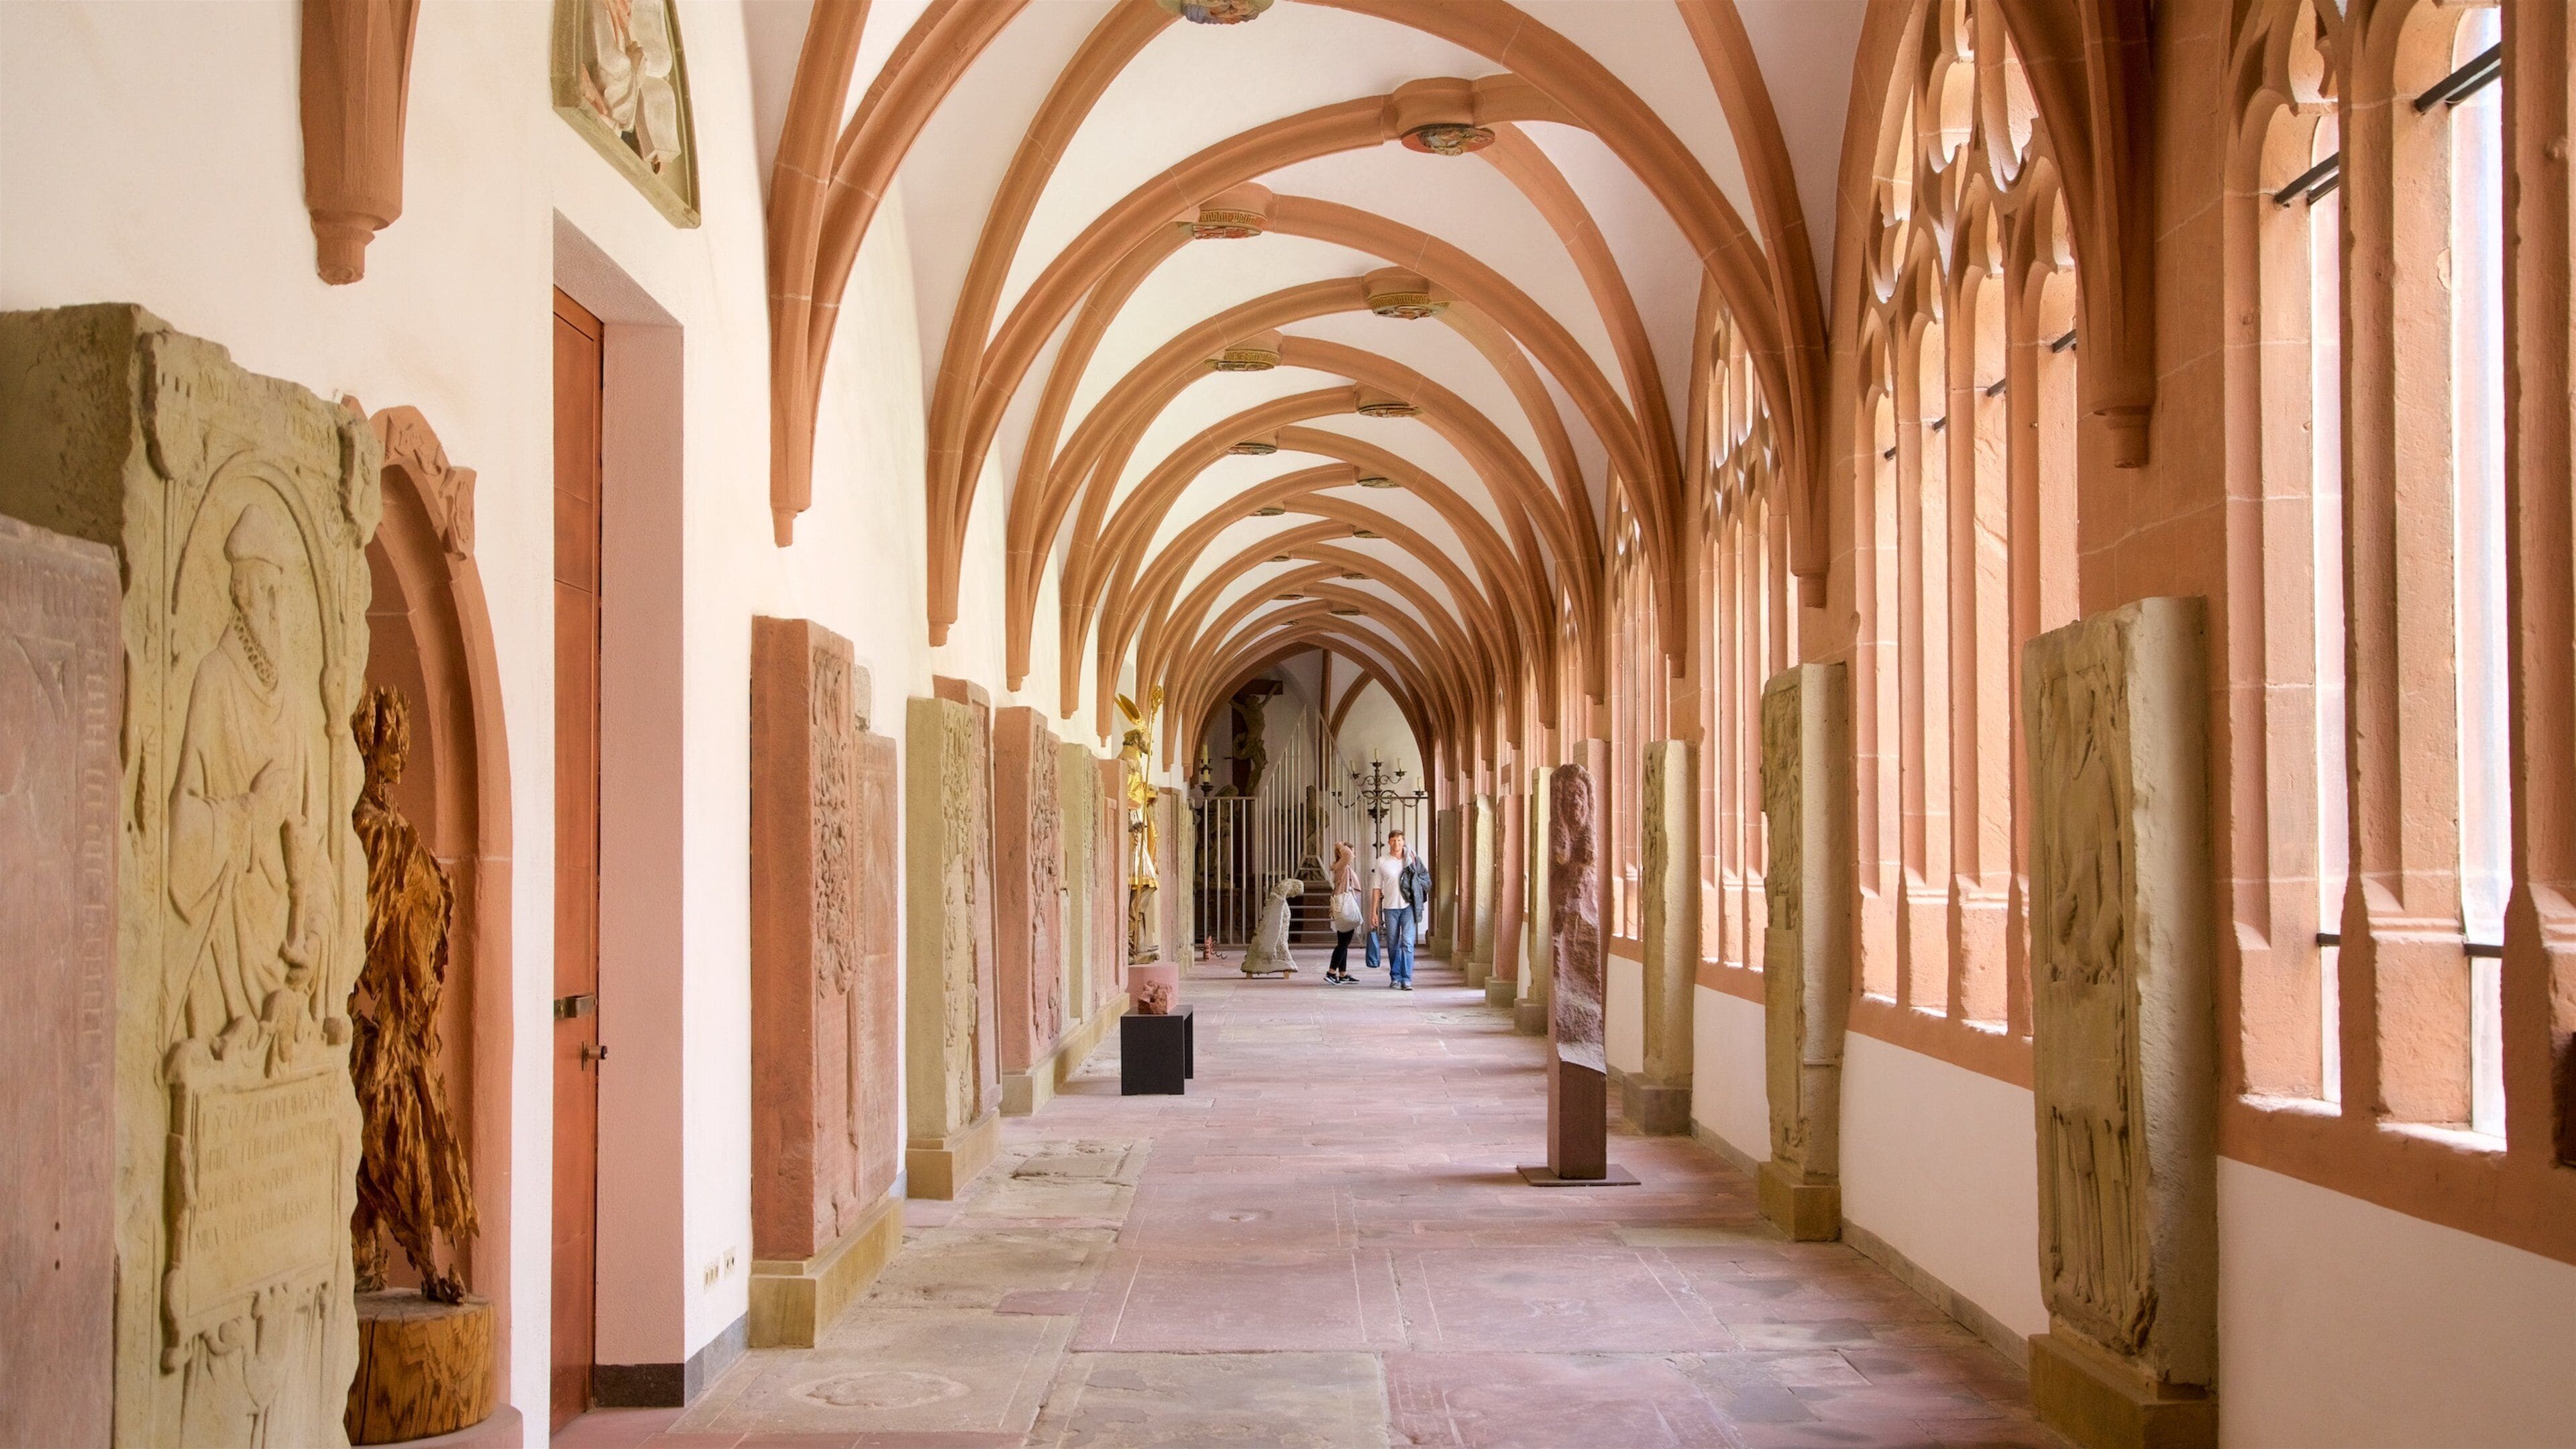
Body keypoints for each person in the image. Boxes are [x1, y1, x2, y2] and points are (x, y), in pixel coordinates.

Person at [1367, 830, 1420, 990]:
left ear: (1404, 842)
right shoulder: (1382, 861)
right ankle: (1395, 976)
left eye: (1399, 840)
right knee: (1393, 944)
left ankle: (1407, 979)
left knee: (1408, 943)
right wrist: (1374, 912)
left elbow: (1419, 879)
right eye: (1393, 840)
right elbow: (1377, 887)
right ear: (1389, 842)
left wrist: (1412, 862)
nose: (1396, 843)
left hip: (1408, 907)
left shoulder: (1411, 859)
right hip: (1390, 908)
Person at [1324, 843, 1361, 983]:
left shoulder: (1342, 866)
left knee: (1343, 941)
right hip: (1345, 908)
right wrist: (1340, 846)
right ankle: (1331, 972)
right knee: (1344, 943)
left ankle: (1343, 973)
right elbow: (1348, 855)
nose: (1354, 855)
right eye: (1352, 851)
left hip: (1345, 907)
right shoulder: (1342, 865)